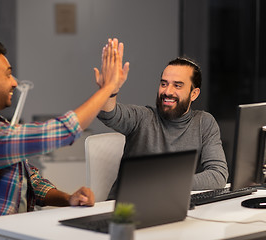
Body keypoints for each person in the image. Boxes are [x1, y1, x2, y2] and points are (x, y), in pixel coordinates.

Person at [0, 37, 126, 240]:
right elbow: (60, 131)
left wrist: (69, 199)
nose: (14, 82)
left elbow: (32, 183)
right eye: (8, 74)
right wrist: (107, 89)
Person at [95, 56, 229, 200]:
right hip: (125, 211)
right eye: (164, 84)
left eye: (177, 85)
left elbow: (218, 175)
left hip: (171, 206)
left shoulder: (204, 122)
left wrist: (166, 184)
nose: (167, 91)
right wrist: (109, 91)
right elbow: (108, 113)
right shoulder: (142, 117)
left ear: (194, 94)